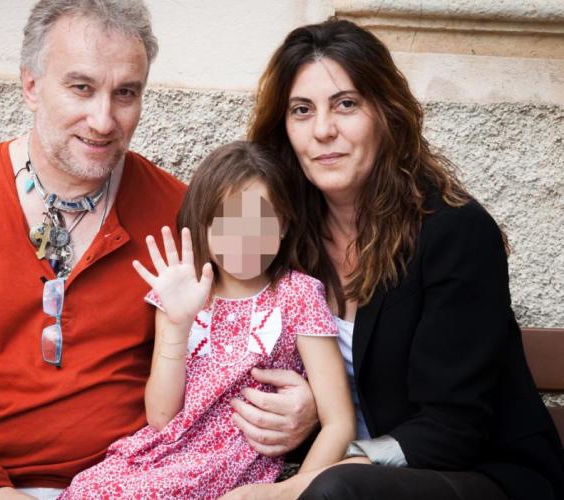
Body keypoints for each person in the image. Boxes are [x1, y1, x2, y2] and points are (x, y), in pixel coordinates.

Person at [0, 2, 316, 499]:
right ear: (31, 85)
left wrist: (307, 410)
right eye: (81, 87)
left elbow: (247, 332)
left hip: (132, 484)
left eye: (126, 93)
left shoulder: (183, 215)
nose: (103, 120)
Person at [236, 17, 564, 500]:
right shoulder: (288, 239)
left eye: (346, 104)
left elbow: (454, 428)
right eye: (301, 110)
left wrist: (311, 475)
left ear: (385, 114)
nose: (323, 130)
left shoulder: (454, 232)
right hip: (345, 478)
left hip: (482, 475)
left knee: (336, 490)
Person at [57, 141, 355, 499]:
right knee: (88, 489)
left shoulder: (297, 294)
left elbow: (339, 423)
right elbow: (161, 417)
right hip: (163, 454)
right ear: (205, 227)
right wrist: (178, 324)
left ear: (283, 225)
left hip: (230, 465)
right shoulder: (183, 292)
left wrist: (292, 493)